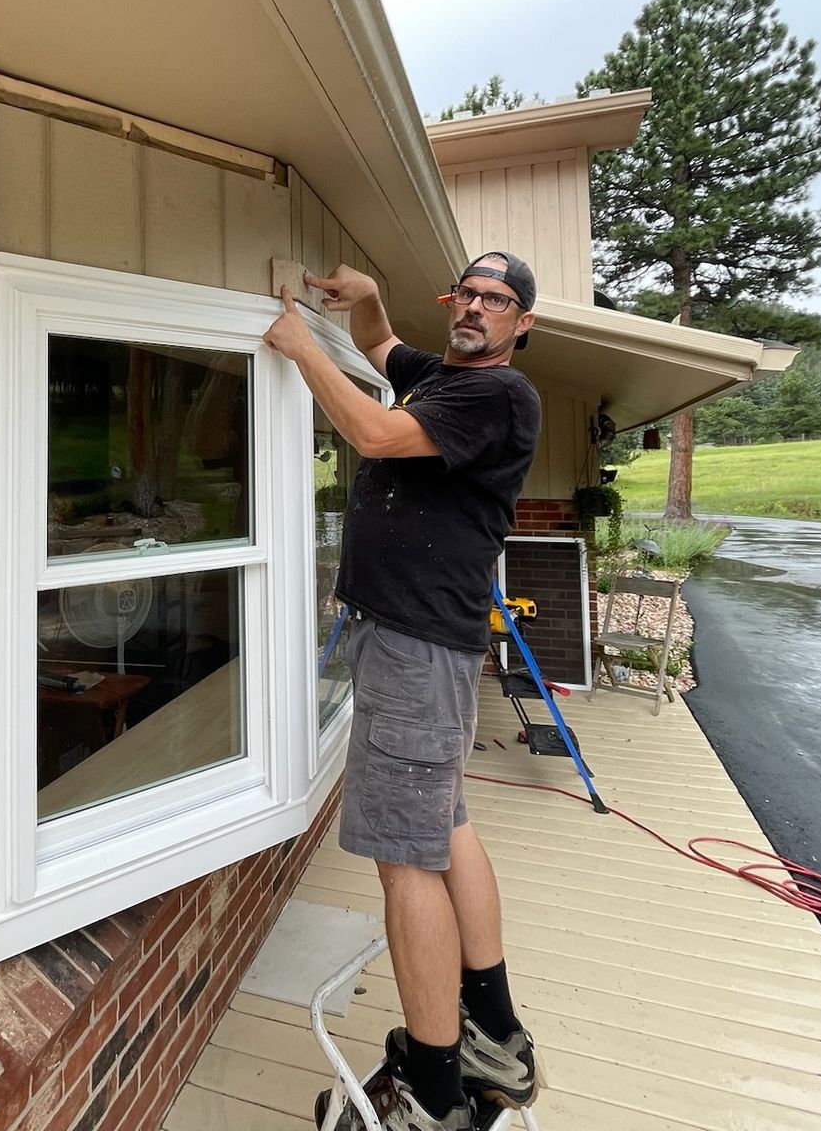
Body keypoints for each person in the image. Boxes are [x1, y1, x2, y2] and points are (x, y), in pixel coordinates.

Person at [263, 251, 545, 1131]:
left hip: (420, 650)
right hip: (421, 645)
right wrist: (371, 303)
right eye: (465, 292)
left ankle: (430, 1092)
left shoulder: (497, 396)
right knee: (446, 823)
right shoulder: (444, 374)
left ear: (520, 323)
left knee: (406, 857)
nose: (474, 307)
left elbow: (378, 435)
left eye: (495, 299)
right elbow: (382, 345)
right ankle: (492, 1032)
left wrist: (300, 347)